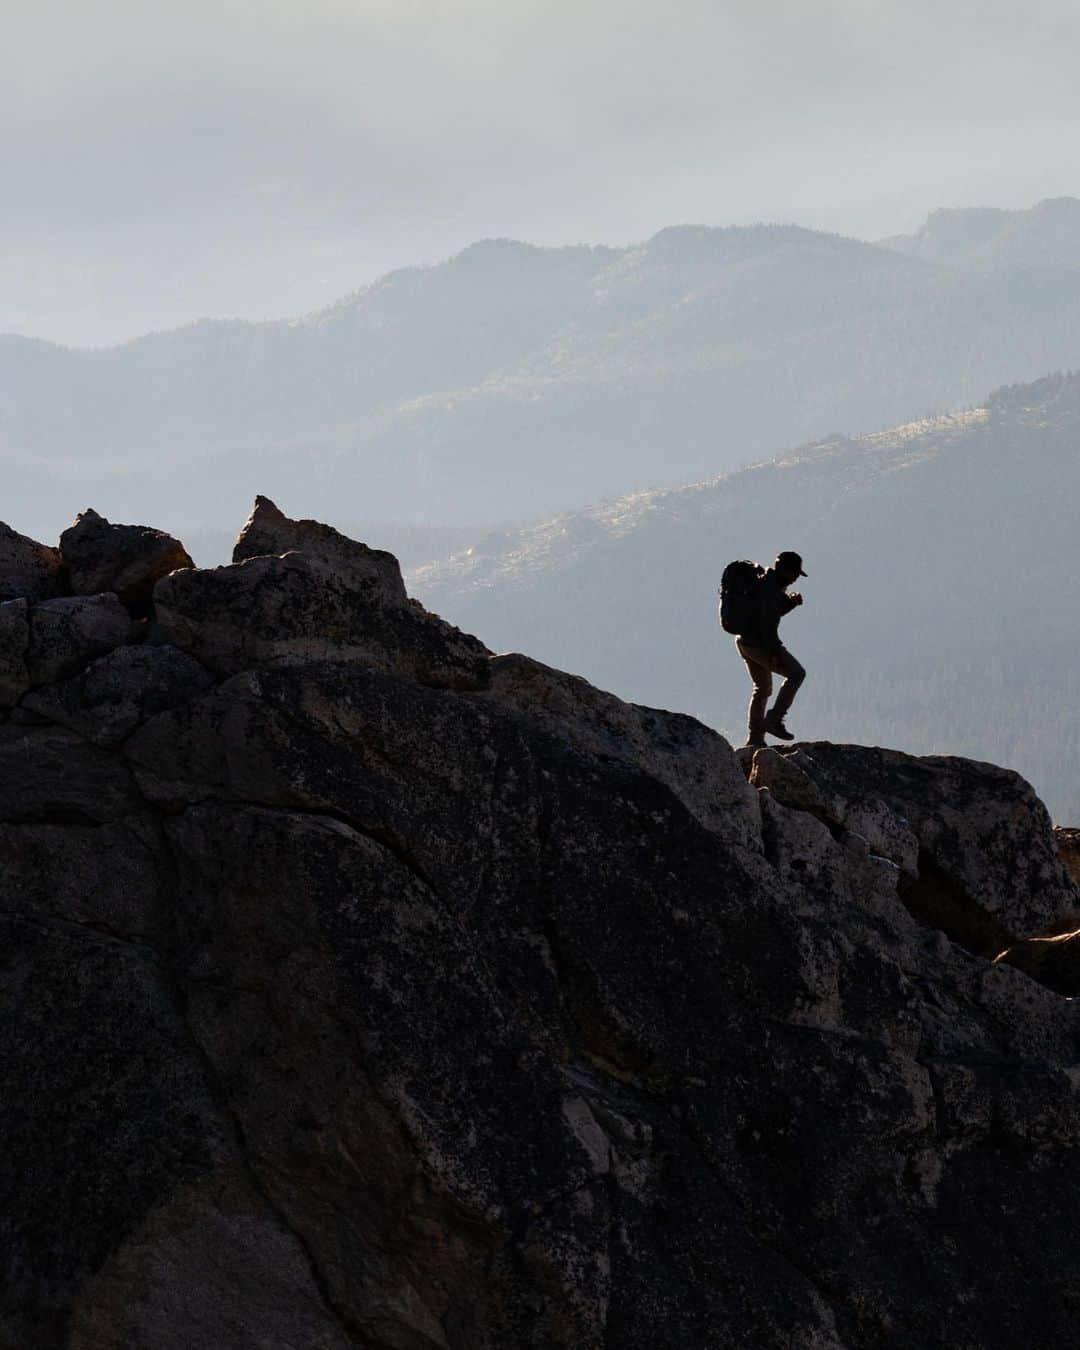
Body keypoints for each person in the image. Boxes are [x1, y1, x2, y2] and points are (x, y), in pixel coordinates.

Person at [735, 550, 807, 747]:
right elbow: (767, 624)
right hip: (760, 644)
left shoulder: (766, 583)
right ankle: (775, 719)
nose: (795, 579)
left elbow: (768, 614)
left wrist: (790, 604)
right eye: (794, 574)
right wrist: (775, 652)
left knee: (762, 689)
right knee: (797, 674)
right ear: (784, 570)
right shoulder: (771, 590)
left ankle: (755, 739)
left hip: (744, 642)